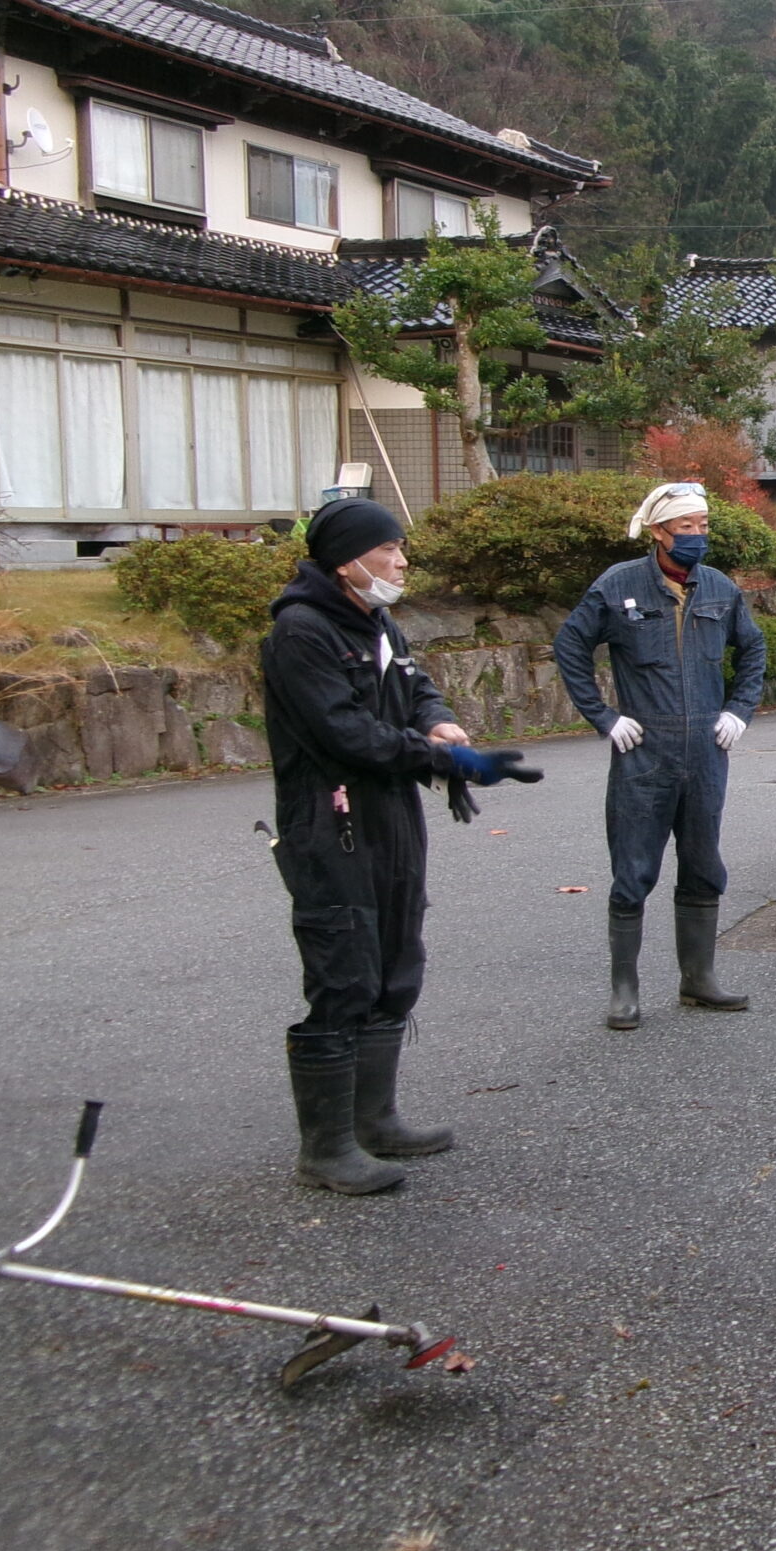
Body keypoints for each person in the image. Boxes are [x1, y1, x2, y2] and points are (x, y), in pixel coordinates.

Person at [262, 497, 541, 1194]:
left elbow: (416, 690)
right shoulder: (301, 632)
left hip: (389, 814)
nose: (401, 560)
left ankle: (376, 1120)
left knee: (396, 962)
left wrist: (440, 724)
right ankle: (325, 1149)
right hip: (331, 822)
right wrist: (447, 762)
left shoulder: (377, 621)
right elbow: (345, 733)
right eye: (389, 549)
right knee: (344, 969)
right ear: (347, 559)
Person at [553, 482, 767, 1030]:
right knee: (633, 873)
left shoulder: (719, 588)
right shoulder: (619, 585)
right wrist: (604, 718)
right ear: (658, 532)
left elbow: (754, 648)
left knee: (702, 868)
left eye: (703, 526)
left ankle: (699, 980)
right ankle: (624, 989)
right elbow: (571, 645)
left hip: (705, 751)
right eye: (686, 527)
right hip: (644, 752)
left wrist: (739, 709)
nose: (697, 536)